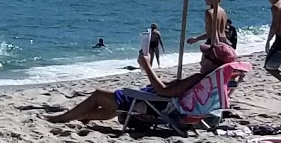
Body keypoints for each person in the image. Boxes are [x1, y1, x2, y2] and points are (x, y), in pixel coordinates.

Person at [46, 42, 234, 124]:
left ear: (212, 62)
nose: (201, 57)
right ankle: (81, 116)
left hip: (155, 104)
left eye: (205, 55)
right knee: (114, 105)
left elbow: (164, 91)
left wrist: (146, 66)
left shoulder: (197, 79)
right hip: (165, 105)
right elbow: (172, 90)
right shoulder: (209, 82)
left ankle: (61, 118)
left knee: (98, 95)